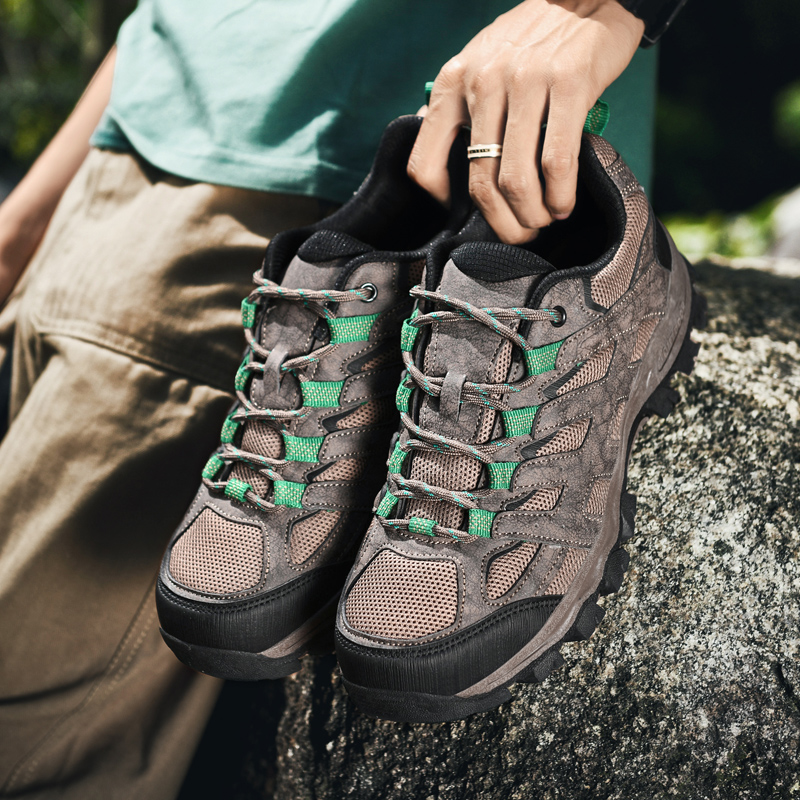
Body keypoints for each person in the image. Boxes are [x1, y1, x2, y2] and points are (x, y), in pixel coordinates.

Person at [0, 0, 686, 796]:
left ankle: (565, 313)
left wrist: (596, 9)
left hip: (293, 184)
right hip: (124, 156)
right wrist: (26, 227)